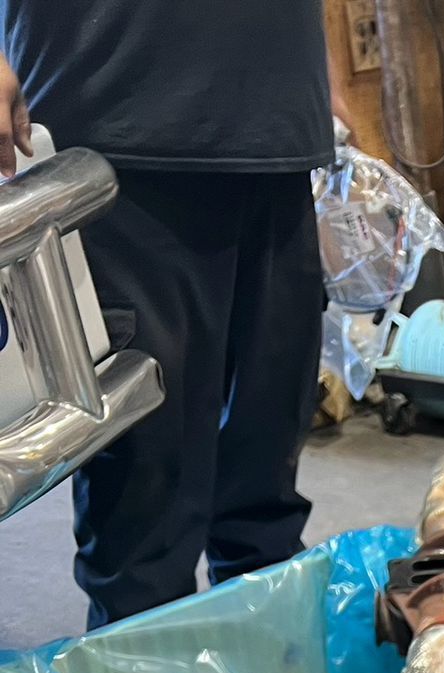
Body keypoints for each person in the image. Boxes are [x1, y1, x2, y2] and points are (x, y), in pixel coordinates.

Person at [0, 3, 345, 627]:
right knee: (146, 510)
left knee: (265, 486)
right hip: (120, 143)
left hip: (278, 139)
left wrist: (328, 86)